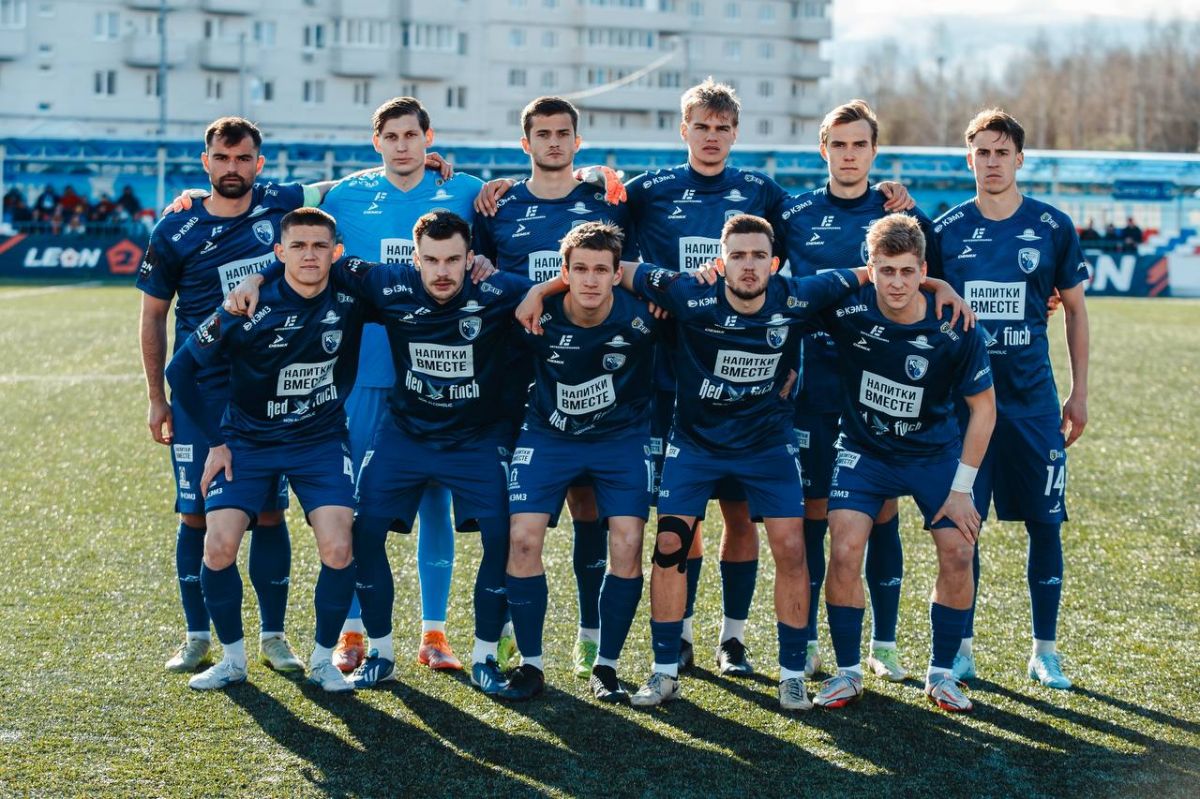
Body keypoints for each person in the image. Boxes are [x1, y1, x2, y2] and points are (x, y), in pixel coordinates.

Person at [534, 213, 965, 710]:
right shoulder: (689, 293)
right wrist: (541, 290)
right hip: (696, 445)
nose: (748, 265)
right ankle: (664, 670)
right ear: (720, 262)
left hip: (766, 446)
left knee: (793, 546)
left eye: (759, 255)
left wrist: (936, 285)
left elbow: (874, 271)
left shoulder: (798, 295)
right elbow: (618, 269)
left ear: (774, 263)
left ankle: (791, 675)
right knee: (670, 545)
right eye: (737, 255)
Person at [614, 79, 916, 677]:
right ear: (683, 129)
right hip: (673, 374)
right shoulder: (648, 189)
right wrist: (592, 178)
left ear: (736, 133)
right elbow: (599, 238)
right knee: (680, 523)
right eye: (701, 127)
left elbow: (811, 254)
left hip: (759, 389)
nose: (711, 137)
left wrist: (893, 195)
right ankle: (678, 639)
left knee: (739, 516)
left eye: (722, 128)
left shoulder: (764, 193)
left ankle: (733, 638)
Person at [137, 117, 321, 675]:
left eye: (243, 159)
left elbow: (346, 186)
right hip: (199, 390)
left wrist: (425, 163)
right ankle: (197, 636)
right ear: (206, 162)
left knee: (268, 512)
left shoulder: (277, 204)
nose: (232, 168)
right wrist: (156, 397)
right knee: (195, 513)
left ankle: (273, 636)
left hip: (264, 388)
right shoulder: (176, 227)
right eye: (222, 158)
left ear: (258, 164)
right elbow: (153, 316)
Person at [164, 208, 367, 692]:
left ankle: (322, 661)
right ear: (279, 253)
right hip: (247, 442)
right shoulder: (244, 306)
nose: (309, 255)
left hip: (318, 440)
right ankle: (232, 660)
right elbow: (180, 371)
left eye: (320, 246)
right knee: (218, 546)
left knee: (339, 546)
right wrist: (217, 442)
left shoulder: (353, 297)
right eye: (297, 246)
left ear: (336, 252)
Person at [472, 96, 636, 679]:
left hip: (587, 373)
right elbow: (480, 273)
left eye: (563, 133)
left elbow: (622, 271)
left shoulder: (605, 199)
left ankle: (590, 635)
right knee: (514, 515)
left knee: (588, 509)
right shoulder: (497, 203)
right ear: (526, 143)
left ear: (577, 141)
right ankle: (507, 630)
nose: (554, 143)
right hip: (514, 373)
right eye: (542, 134)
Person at [319, 96, 484, 675]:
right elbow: (282, 208)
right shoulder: (345, 196)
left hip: (436, 374)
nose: (402, 145)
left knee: (436, 497)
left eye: (411, 135)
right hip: (365, 373)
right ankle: (353, 632)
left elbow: (528, 195)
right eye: (391, 137)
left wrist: (598, 174)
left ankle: (434, 634)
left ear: (428, 138)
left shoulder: (465, 190)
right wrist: (194, 197)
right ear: (377, 143)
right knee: (355, 504)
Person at [781, 100, 942, 682]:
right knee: (815, 510)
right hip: (813, 381)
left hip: (882, 382)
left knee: (882, 508)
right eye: (839, 144)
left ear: (874, 151)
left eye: (860, 145)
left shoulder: (900, 214)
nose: (849, 155)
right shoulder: (793, 212)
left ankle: (886, 642)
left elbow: (933, 280)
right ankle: (810, 639)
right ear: (823, 149)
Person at [930, 108, 1090, 689]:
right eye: (982, 152)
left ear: (1019, 159)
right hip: (965, 408)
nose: (992, 162)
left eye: (1002, 152)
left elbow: (1075, 310)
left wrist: (1078, 392)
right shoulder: (945, 231)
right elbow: (918, 297)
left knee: (1046, 526)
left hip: (1033, 404)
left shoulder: (1052, 226)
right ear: (968, 158)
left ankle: (1045, 651)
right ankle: (961, 648)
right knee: (961, 529)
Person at [810, 213, 994, 713]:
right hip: (864, 452)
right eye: (886, 271)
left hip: (933, 454)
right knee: (844, 549)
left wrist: (962, 489)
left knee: (959, 550)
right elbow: (795, 295)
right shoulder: (848, 308)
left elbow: (984, 410)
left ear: (923, 271)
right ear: (870, 269)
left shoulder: (955, 324)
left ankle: (942, 674)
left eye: (908, 272)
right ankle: (848, 672)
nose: (896, 282)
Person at [500, 221, 658, 703]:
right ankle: (530, 664)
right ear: (563, 274)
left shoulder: (643, 315)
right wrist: (537, 292)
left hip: (620, 438)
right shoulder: (537, 313)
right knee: (522, 539)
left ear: (617, 274)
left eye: (601, 270)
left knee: (628, 542)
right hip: (549, 435)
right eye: (581, 270)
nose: (591, 280)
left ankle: (605, 666)